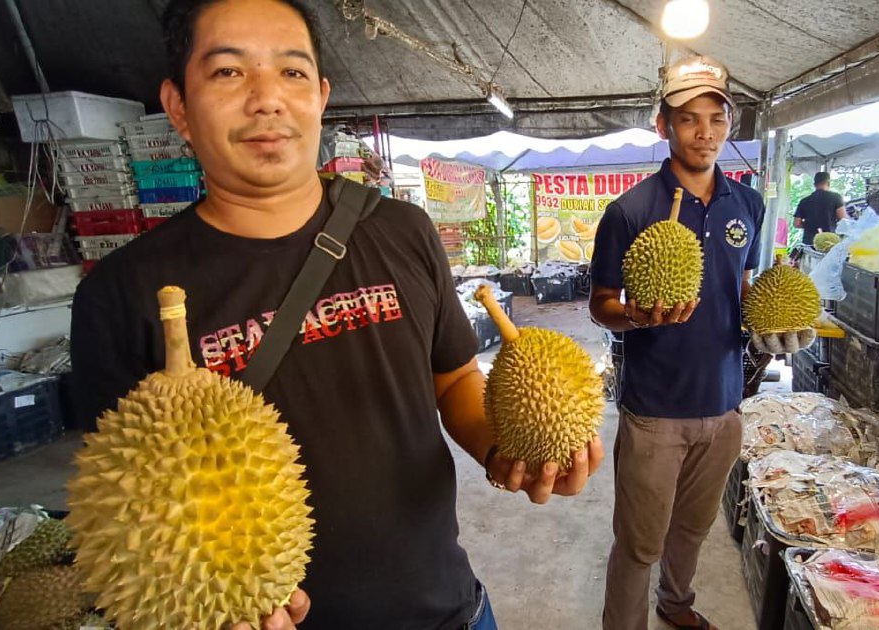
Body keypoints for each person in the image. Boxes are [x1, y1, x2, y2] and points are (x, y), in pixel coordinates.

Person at [70, 1, 604, 628]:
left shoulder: (402, 232)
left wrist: (505, 452)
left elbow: (455, 379)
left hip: (447, 610)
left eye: (292, 73)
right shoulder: (119, 293)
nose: (268, 98)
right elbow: (126, 502)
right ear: (179, 105)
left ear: (322, 96)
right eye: (228, 73)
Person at [589, 56, 768, 630]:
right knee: (640, 541)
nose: (705, 132)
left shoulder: (749, 204)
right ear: (663, 125)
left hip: (723, 403)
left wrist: (767, 333)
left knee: (693, 527)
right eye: (689, 119)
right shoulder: (630, 210)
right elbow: (601, 304)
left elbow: (742, 287)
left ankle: (676, 606)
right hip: (655, 408)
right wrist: (637, 317)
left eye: (717, 119)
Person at [793, 171, 847, 246]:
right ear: (828, 183)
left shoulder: (804, 201)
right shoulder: (836, 198)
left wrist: (809, 225)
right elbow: (843, 219)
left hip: (809, 243)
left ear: (814, 184)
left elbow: (796, 224)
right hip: (829, 242)